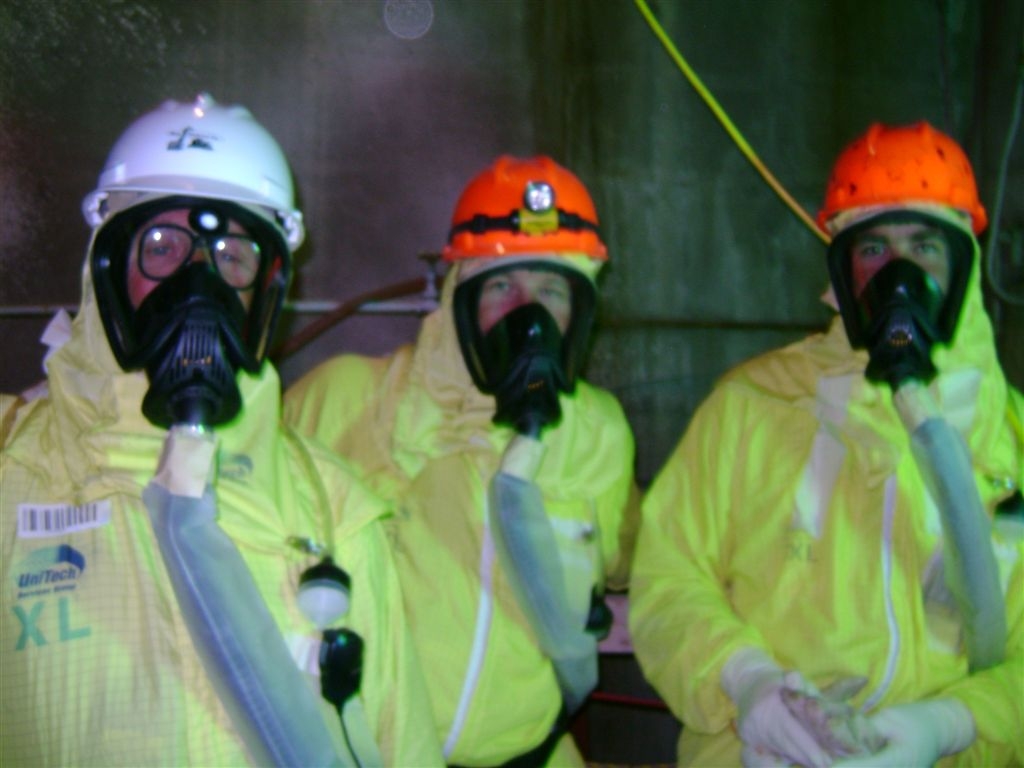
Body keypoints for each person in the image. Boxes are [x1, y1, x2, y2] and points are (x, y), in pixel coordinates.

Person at [0, 93, 442, 767]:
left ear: (262, 289)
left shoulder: (333, 508)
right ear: (107, 266)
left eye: (231, 255)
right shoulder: (12, 471)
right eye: (163, 246)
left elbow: (400, 745)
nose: (196, 283)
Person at [629, 121, 1023, 767]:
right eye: (874, 250)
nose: (899, 278)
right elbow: (667, 580)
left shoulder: (1010, 439)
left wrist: (948, 726)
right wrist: (747, 684)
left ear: (964, 264)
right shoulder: (751, 408)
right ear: (841, 266)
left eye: (925, 246)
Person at [285, 155, 640, 766]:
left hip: (531, 753)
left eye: (551, 291)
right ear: (457, 295)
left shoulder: (599, 431)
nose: (526, 318)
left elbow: (628, 564)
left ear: (579, 312)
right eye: (502, 286)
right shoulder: (341, 400)